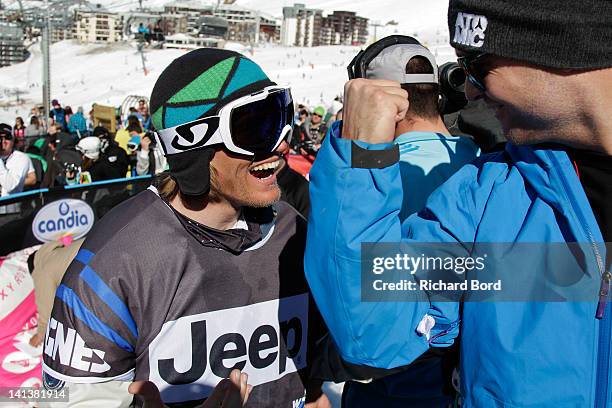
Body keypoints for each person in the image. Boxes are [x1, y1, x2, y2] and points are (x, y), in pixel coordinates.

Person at [305, 0, 612, 406]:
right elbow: (377, 336)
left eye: (477, 66)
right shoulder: (483, 196)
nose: (468, 90)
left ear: (559, 47)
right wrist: (361, 159)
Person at [42, 48, 329, 408]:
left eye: (281, 115)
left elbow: (341, 356)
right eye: (257, 125)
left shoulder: (290, 231)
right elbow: (62, 399)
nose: (282, 142)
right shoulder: (120, 259)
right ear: (192, 143)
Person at [334, 36, 479, 408]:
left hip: (396, 366)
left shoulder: (369, 174)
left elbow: (344, 275)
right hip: (471, 360)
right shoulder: (485, 164)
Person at [0, 123, 36, 214]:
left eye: (7, 137)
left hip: (10, 214)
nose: (3, 141)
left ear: (13, 140)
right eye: (0, 138)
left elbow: (10, 186)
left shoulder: (21, 158)